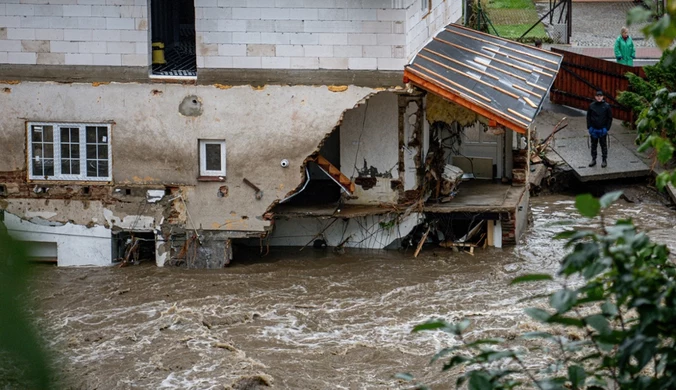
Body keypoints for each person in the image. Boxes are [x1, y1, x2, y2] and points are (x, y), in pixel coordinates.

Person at [587, 90, 613, 168]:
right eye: (597, 96)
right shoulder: (591, 105)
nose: (599, 98)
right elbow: (588, 117)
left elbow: (610, 118)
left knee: (603, 146)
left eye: (600, 96)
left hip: (602, 130)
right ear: (595, 97)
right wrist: (589, 127)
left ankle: (604, 160)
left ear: (603, 97)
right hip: (594, 129)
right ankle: (593, 159)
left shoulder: (607, 106)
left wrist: (607, 128)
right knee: (593, 145)